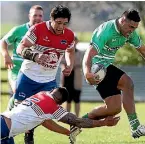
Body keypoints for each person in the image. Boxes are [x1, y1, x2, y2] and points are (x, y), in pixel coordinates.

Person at [69, 9, 145, 142]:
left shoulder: (129, 33)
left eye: (135, 28)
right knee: (128, 83)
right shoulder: (106, 30)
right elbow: (89, 54)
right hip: (97, 68)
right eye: (131, 27)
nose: (132, 30)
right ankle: (136, 127)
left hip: (106, 67)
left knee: (114, 109)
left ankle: (77, 123)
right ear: (122, 21)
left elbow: (144, 50)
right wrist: (87, 73)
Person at [14, 5, 75, 144]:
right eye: (58, 23)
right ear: (51, 19)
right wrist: (35, 56)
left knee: (46, 110)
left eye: (65, 24)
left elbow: (70, 51)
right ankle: (15, 133)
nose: (61, 27)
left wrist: (70, 64)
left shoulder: (69, 35)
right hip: (28, 77)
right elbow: (20, 48)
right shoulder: (38, 29)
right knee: (19, 111)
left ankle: (30, 135)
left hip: (48, 80)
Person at [1, 87, 120, 144]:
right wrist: (103, 122)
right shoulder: (52, 106)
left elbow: (45, 122)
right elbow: (77, 122)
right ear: (60, 103)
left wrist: (67, 133)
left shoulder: (41, 94)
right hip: (4, 128)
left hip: (6, 129)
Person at [0, 5, 44, 111]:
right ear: (29, 16)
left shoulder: (44, 32)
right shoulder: (19, 30)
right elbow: (3, 41)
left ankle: (18, 120)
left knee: (32, 100)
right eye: (35, 15)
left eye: (40, 16)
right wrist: (6, 55)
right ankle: (7, 116)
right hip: (16, 70)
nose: (38, 18)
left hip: (34, 71)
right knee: (18, 89)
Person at [62, 35, 83, 116]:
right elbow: (62, 62)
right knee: (67, 99)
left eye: (75, 41)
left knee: (77, 99)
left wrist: (71, 65)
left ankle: (77, 118)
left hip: (76, 78)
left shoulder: (80, 53)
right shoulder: (65, 52)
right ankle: (67, 117)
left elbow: (80, 63)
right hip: (67, 78)